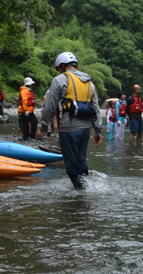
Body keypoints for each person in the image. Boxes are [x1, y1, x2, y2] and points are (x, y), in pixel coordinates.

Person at [37, 51, 103, 189]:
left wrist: (43, 127)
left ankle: (81, 194)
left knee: (72, 164)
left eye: (59, 69)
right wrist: (98, 131)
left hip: (68, 128)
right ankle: (88, 188)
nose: (59, 72)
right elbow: (96, 109)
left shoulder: (59, 80)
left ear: (62, 66)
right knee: (81, 160)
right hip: (86, 129)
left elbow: (49, 106)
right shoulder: (90, 83)